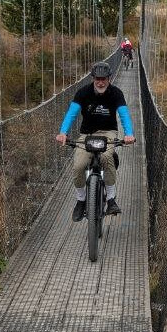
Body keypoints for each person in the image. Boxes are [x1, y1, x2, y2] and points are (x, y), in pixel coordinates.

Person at [55, 62, 136, 221]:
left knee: (106, 157)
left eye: (103, 79)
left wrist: (129, 134)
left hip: (108, 133)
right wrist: (63, 133)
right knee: (79, 165)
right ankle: (81, 200)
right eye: (97, 79)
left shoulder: (116, 93)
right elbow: (72, 114)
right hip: (87, 134)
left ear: (109, 78)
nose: (100, 82)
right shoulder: (83, 92)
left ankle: (111, 199)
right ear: (93, 78)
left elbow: (124, 114)